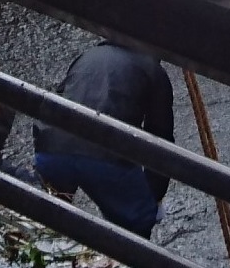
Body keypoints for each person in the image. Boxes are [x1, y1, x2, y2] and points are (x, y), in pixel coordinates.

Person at [32, 41, 175, 237]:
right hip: (104, 159)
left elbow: (56, 101)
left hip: (51, 151)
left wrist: (44, 144)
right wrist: (155, 196)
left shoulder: (88, 55)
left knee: (52, 218)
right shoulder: (154, 71)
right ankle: (130, 258)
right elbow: (161, 140)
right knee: (136, 223)